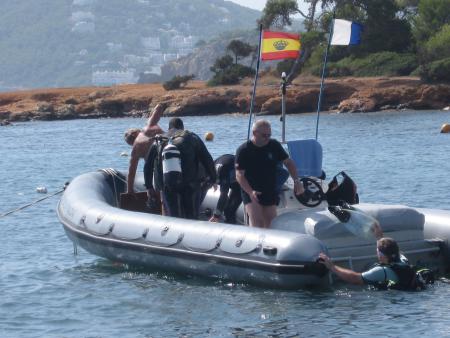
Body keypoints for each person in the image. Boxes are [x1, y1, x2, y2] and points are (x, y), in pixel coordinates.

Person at [235, 119, 304, 228]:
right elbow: (239, 175)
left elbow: (288, 162)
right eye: (264, 135)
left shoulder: (274, 145)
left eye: (269, 135)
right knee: (258, 222)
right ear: (254, 133)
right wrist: (250, 192)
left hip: (269, 187)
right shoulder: (244, 150)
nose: (267, 138)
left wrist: (296, 181)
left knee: (271, 223)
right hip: (251, 189)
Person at [144, 117, 216, 219]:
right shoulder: (191, 137)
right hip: (190, 183)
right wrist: (213, 178)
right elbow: (207, 159)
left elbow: (148, 166)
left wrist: (149, 186)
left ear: (168, 128)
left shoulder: (158, 140)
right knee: (191, 215)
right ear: (182, 127)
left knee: (173, 216)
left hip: (167, 185)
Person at [318, 237, 426, 290]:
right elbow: (389, 249)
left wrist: (332, 267)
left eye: (378, 251)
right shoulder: (403, 260)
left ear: (382, 255)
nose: (377, 253)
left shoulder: (382, 271)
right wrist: (379, 236)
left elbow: (356, 278)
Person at [124, 103, 166, 194]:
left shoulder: (135, 150)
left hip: (161, 166)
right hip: (172, 150)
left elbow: (131, 173)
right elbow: (159, 107)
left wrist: (130, 191)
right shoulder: (149, 125)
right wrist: (150, 118)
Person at [209, 154, 242, 224]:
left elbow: (224, 195)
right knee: (227, 209)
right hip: (231, 169)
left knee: (229, 210)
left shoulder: (222, 172)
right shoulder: (212, 165)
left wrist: (216, 215)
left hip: (243, 180)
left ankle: (232, 228)